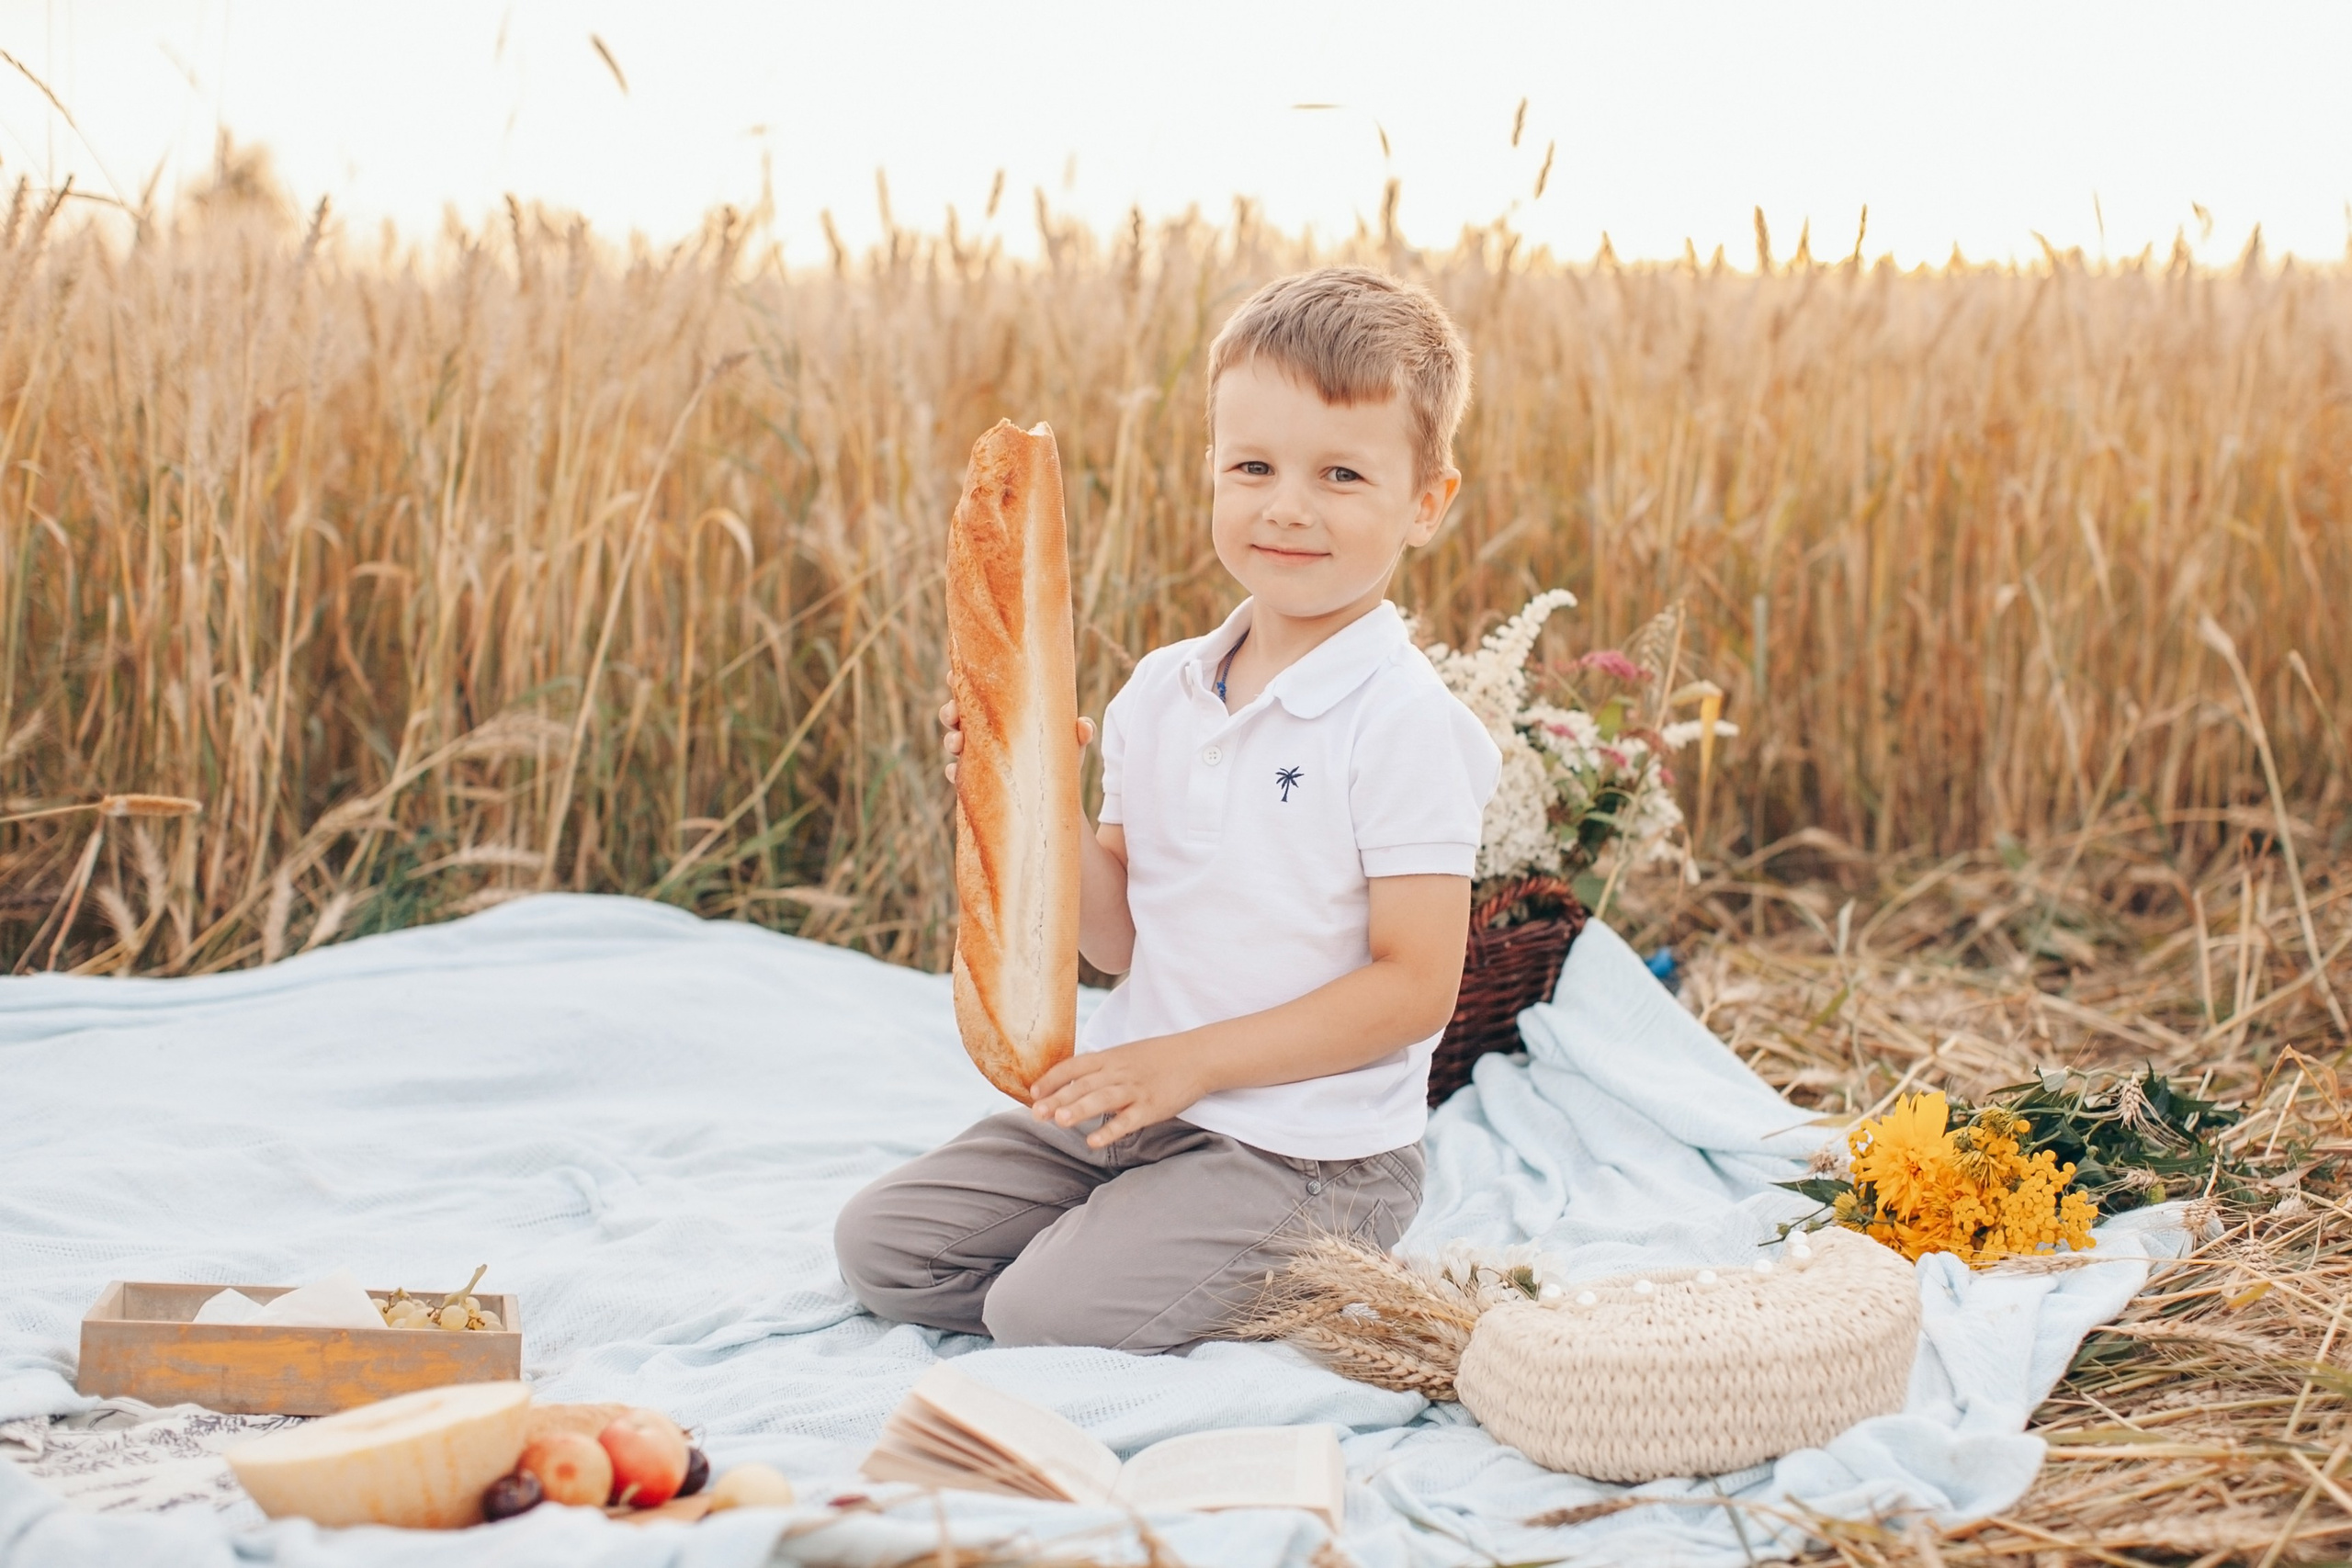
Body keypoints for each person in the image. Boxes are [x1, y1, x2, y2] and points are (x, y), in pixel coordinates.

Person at [833, 266, 1500, 1354]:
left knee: (1039, 1314)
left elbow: (1413, 986)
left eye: (1340, 474)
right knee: (885, 1251)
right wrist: (1027, 794)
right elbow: (1116, 940)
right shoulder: (1161, 691)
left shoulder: (1402, 721)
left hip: (1308, 1151)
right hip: (1138, 1107)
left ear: (1426, 502)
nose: (1287, 506)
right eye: (1253, 466)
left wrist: (1187, 1063)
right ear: (1211, 471)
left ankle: (1305, 1262)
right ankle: (1149, 1245)